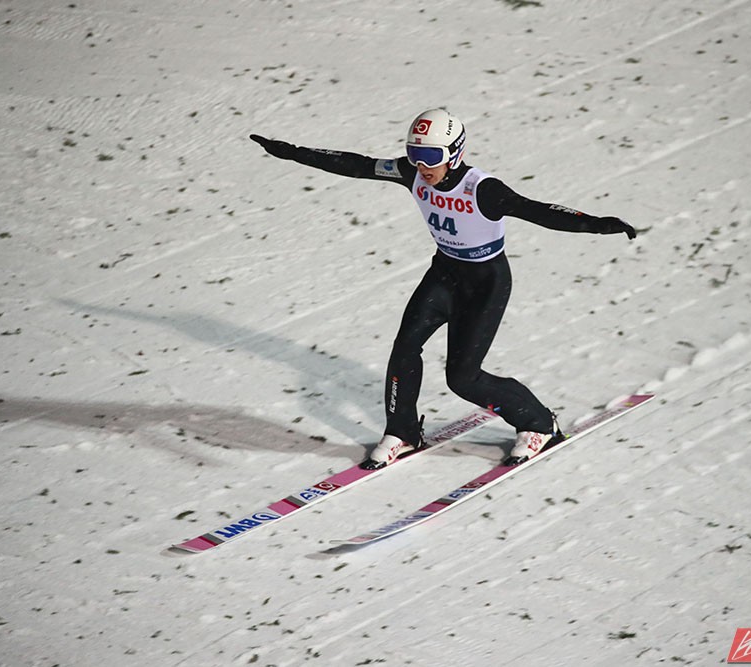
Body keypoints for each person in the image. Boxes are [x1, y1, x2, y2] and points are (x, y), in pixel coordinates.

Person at [250, 108, 636, 469]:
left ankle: (538, 423)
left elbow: (539, 210)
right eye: (415, 154)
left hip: (485, 284)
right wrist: (293, 152)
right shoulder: (411, 173)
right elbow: (358, 165)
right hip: (444, 274)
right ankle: (403, 432)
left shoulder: (482, 189)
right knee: (404, 350)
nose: (422, 166)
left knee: (463, 378)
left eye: (431, 156)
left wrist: (598, 224)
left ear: (454, 153)